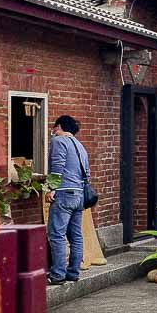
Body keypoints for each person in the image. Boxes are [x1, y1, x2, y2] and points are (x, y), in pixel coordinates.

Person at [45, 115, 89, 285]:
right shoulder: (80, 146)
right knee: (76, 236)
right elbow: (87, 173)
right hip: (79, 195)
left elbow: (57, 166)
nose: (53, 132)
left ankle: (57, 274)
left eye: (54, 128)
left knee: (57, 234)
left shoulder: (59, 141)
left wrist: (51, 188)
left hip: (63, 193)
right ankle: (73, 272)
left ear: (59, 126)